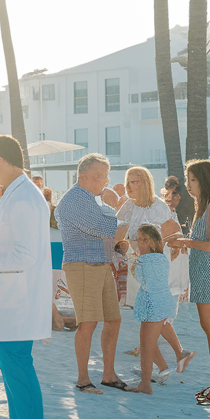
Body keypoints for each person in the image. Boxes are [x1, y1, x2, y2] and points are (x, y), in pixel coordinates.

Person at [0, 135, 51, 419]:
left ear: (0, 161)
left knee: (19, 371)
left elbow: (24, 255)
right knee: (10, 371)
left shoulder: (24, 197)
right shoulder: (14, 194)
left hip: (19, 299)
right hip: (9, 297)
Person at [55, 153, 128, 394]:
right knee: (87, 323)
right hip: (83, 264)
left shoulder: (91, 198)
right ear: (83, 176)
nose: (104, 181)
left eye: (105, 176)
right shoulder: (75, 199)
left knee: (113, 319)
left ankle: (108, 375)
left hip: (99, 264)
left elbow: (108, 230)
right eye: (99, 176)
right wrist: (132, 225)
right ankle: (83, 379)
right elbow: (104, 228)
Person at [113, 166, 194, 378]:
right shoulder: (129, 206)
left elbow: (172, 235)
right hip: (139, 267)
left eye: (136, 182)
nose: (130, 186)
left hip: (155, 268)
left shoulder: (159, 207)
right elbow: (119, 230)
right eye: (129, 181)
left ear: (146, 183)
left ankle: (165, 362)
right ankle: (172, 358)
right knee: (150, 318)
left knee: (152, 318)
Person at [167, 159, 210, 406]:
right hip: (205, 273)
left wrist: (182, 242)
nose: (188, 185)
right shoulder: (206, 206)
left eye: (192, 179)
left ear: (205, 179)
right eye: (187, 179)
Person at [129, 225, 177, 395]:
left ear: (146, 241)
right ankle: (163, 368)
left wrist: (133, 263)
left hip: (150, 305)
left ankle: (145, 384)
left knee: (146, 346)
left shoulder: (143, 261)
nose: (136, 244)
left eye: (138, 240)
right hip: (163, 302)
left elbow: (140, 278)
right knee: (149, 344)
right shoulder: (162, 258)